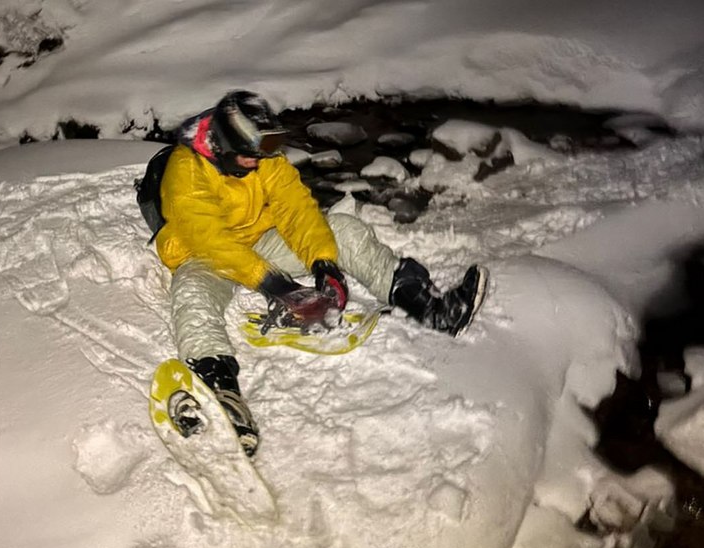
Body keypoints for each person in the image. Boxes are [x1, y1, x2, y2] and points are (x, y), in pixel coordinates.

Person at [147, 90, 487, 456]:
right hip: (205, 254)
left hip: (259, 240)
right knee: (191, 292)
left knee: (342, 228)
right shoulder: (185, 170)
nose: (257, 162)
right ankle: (220, 392)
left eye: (261, 154)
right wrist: (277, 285)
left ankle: (428, 306)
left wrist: (322, 263)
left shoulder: (264, 158)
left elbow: (296, 210)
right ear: (225, 148)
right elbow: (210, 240)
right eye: (249, 156)